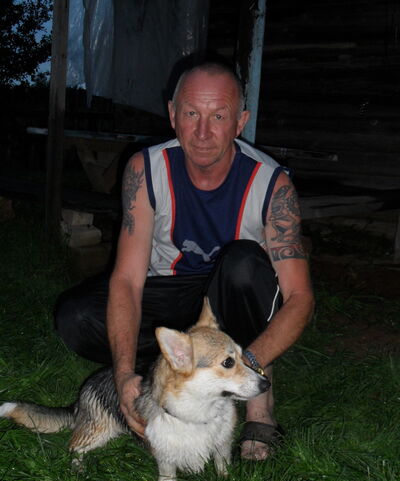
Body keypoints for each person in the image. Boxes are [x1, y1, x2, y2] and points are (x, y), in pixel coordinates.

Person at [56, 62, 314, 460]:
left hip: (231, 299)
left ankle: (260, 406)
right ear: (173, 114)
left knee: (244, 265)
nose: (203, 132)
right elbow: (127, 280)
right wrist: (123, 373)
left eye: (219, 116)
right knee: (76, 317)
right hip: (169, 289)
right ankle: (172, 374)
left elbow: (300, 298)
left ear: (240, 122)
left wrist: (245, 364)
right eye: (192, 113)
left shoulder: (271, 184)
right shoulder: (146, 169)